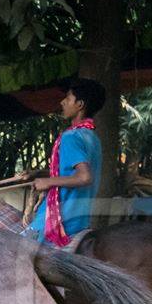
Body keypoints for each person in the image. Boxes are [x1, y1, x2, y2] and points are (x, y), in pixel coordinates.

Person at [27, 78, 105, 246]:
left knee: (13, 253)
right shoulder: (92, 137)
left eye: (68, 98)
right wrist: (39, 174)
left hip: (62, 219)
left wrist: (48, 181)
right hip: (81, 218)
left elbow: (84, 177)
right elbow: (70, 173)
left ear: (80, 104)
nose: (62, 102)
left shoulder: (71, 137)